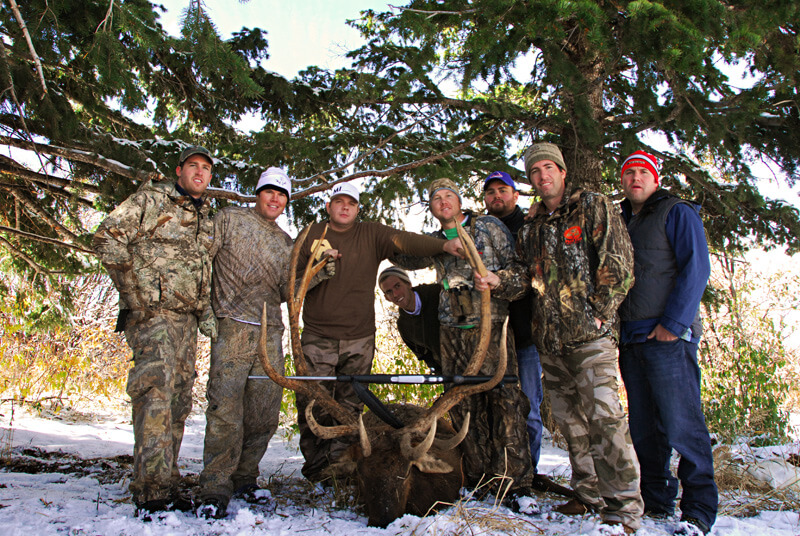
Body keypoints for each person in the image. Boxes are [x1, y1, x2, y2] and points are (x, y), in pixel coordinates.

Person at [478, 143, 643, 533]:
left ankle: (623, 509)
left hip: (589, 338)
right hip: (549, 343)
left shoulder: (593, 206)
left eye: (548, 168)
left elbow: (619, 264)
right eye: (534, 172)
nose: (542, 176)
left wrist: (600, 313)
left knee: (606, 420)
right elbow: (522, 276)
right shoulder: (534, 226)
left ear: (563, 172)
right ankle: (587, 495)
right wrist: (497, 280)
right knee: (572, 426)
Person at [295, 182, 463, 483]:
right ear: (328, 206)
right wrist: (318, 266)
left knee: (349, 409)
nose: (345, 207)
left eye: (351, 203)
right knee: (312, 404)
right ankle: (317, 472)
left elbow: (407, 241)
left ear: (358, 209)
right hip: (317, 336)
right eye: (339, 201)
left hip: (358, 339)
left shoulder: (371, 233)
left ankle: (341, 472)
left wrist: (443, 246)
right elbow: (292, 282)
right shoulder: (311, 234)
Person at [394, 178, 536, 510]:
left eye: (449, 196)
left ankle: (514, 483)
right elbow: (400, 255)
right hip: (451, 331)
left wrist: (497, 281)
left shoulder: (487, 227)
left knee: (506, 404)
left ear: (460, 201)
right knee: (463, 406)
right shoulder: (434, 241)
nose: (443, 201)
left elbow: (520, 274)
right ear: (430, 207)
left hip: (491, 326)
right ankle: (477, 477)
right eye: (436, 198)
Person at [93, 145, 217, 518]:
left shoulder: (204, 216)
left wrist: (206, 314)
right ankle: (150, 492)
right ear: (178, 171)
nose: (199, 173)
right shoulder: (151, 199)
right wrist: (134, 294)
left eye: (206, 169)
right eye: (192, 166)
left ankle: (167, 482)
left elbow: (201, 270)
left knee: (177, 402)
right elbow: (106, 238)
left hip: (186, 322)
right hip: (153, 318)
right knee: (156, 397)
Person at [617, 150, 718, 536]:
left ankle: (699, 510)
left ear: (655, 179)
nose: (636, 179)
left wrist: (673, 325)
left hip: (668, 336)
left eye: (643, 173)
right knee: (644, 427)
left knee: (682, 424)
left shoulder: (676, 212)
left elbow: (697, 268)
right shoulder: (622, 219)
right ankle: (657, 501)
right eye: (629, 174)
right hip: (633, 337)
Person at [197, 168, 302, 518]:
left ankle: (245, 478)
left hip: (269, 333)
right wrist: (204, 309)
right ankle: (214, 485)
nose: (275, 198)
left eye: (282, 194)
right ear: (258, 194)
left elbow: (289, 293)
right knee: (226, 410)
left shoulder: (287, 242)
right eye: (269, 191)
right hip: (233, 328)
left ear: (286, 202)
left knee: (263, 413)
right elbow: (202, 258)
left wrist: (319, 273)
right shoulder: (229, 220)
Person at [482, 171, 545, 483]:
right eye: (491, 191)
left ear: (515, 195)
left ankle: (528, 474)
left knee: (529, 410)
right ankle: (499, 473)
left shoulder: (532, 226)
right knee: (495, 410)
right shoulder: (477, 230)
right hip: (491, 340)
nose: (497, 196)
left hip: (524, 335)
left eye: (503, 190)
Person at [378, 266, 442, 374]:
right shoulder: (404, 326)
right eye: (389, 292)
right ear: (386, 298)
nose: (395, 294)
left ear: (408, 284)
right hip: (452, 375)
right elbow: (427, 358)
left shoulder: (437, 294)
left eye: (397, 286)